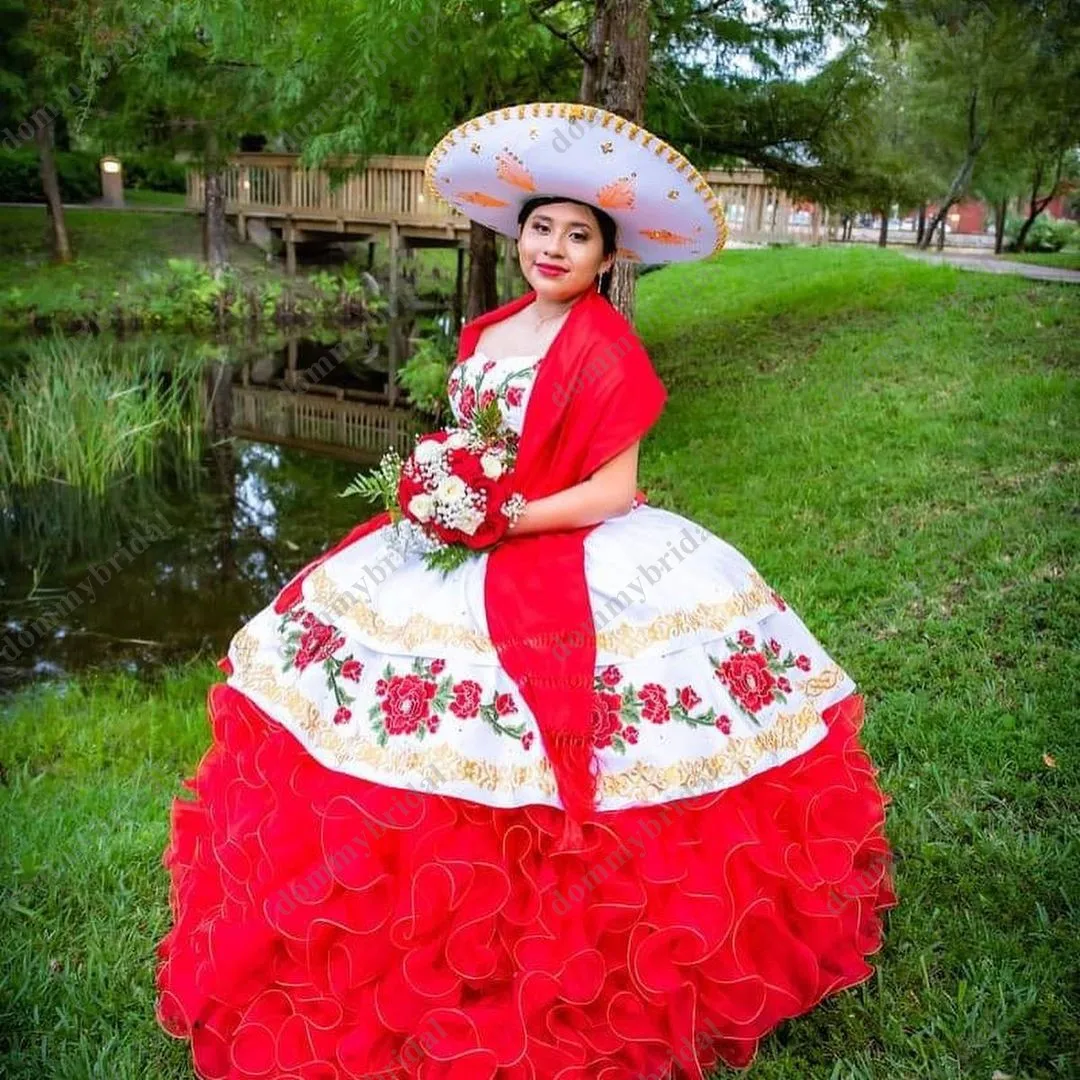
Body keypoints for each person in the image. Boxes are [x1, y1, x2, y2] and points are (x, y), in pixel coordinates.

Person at [155, 101, 897, 1080]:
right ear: (519, 235)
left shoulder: (605, 346)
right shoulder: (494, 330)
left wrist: (502, 518)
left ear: (606, 256)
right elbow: (473, 440)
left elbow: (615, 488)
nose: (553, 246)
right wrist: (439, 486)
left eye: (577, 236)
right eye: (541, 227)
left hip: (561, 539)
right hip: (466, 533)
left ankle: (557, 948)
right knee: (374, 708)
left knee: (567, 734)